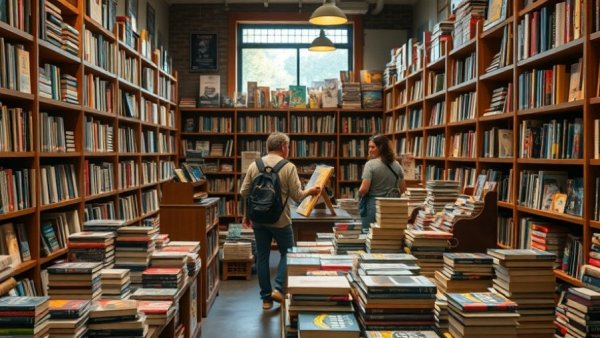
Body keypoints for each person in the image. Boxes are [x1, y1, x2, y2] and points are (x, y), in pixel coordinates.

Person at [240, 132, 322, 310]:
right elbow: (297, 195)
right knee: (289, 252)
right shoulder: (288, 166)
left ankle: (266, 300)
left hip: (259, 219)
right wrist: (311, 190)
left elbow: (244, 192)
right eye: (288, 147)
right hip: (280, 220)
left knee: (262, 257)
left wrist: (246, 215)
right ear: (284, 147)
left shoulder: (255, 165)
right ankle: (278, 288)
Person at [358, 134, 407, 232]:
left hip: (373, 207)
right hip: (392, 207)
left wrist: (359, 194)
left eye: (372, 147)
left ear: (381, 148)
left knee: (369, 235)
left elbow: (363, 189)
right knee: (388, 235)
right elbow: (403, 190)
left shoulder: (370, 165)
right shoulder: (397, 165)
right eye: (369, 147)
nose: (370, 150)